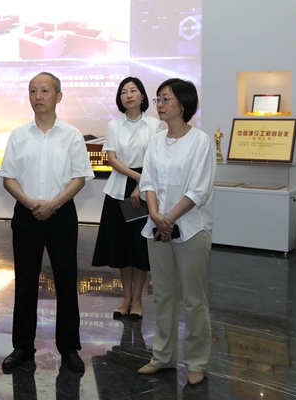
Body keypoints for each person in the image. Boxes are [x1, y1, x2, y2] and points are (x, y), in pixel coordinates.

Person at [0, 72, 94, 373]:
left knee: (66, 281)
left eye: (44, 90)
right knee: (25, 282)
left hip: (61, 214)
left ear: (58, 96)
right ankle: (22, 347)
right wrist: (30, 203)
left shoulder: (72, 135)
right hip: (26, 214)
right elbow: (8, 178)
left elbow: (80, 178)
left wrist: (54, 204)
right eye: (32, 91)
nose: (37, 96)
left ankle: (69, 348)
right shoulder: (18, 135)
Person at [136, 78, 215, 386]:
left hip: (191, 229)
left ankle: (196, 362)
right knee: (163, 296)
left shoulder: (200, 141)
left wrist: (168, 218)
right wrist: (156, 216)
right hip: (157, 228)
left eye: (165, 99)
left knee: (194, 299)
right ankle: (162, 356)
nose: (159, 104)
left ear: (183, 104)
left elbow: (199, 190)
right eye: (158, 99)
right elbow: (148, 182)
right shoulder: (156, 141)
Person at [91, 77, 162, 321]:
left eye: (133, 91)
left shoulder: (155, 125)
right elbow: (112, 159)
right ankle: (126, 298)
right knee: (122, 246)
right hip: (120, 187)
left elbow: (155, 159)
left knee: (139, 246)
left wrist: (141, 185)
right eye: (123, 92)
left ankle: (138, 299)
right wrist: (136, 178)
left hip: (146, 189)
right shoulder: (114, 125)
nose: (128, 95)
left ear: (142, 96)